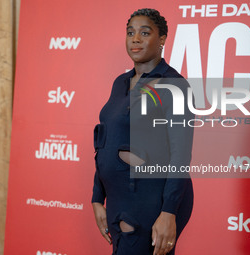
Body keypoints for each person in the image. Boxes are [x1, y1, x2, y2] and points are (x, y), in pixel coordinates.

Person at [92, 8, 194, 255]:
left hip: (151, 199)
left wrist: (168, 212)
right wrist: (97, 197)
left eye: (145, 32)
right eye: (130, 33)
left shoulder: (175, 85)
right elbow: (105, 140)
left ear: (162, 39)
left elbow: (180, 156)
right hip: (118, 198)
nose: (135, 39)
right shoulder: (120, 83)